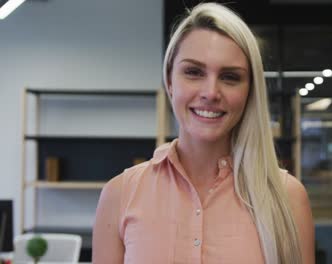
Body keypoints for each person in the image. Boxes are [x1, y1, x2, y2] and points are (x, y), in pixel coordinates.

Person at [92, 2, 314, 264]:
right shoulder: (120, 195)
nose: (211, 92)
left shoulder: (287, 197)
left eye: (230, 77)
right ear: (170, 81)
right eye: (194, 72)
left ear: (249, 92)